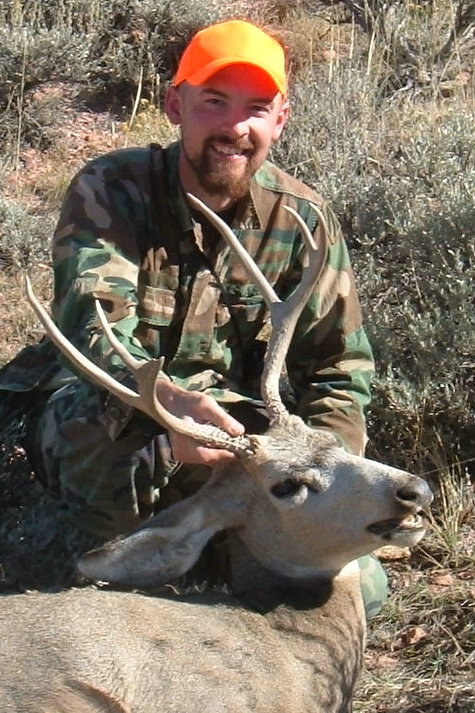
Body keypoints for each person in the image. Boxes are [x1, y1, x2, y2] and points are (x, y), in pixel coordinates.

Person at [0, 19, 386, 615]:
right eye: (213, 103)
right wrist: (166, 408)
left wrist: (316, 466)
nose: (235, 127)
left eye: (257, 108)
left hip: (245, 442)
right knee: (96, 437)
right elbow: (94, 331)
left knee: (362, 587)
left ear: (280, 120)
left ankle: (213, 545)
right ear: (174, 105)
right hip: (123, 415)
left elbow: (340, 367)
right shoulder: (112, 189)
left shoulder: (304, 219)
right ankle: (108, 552)